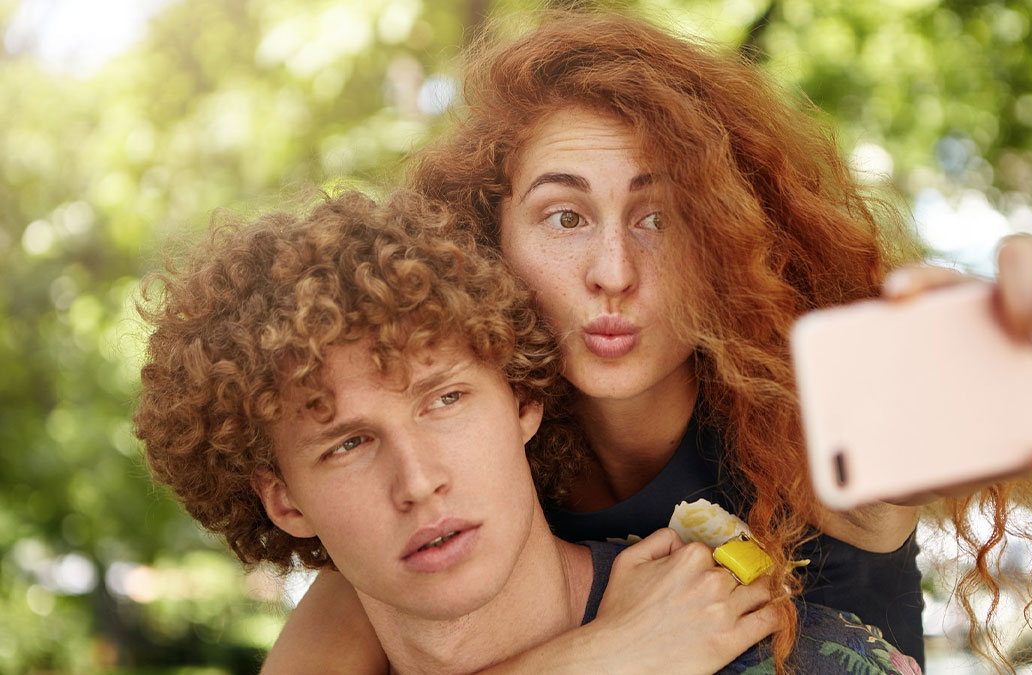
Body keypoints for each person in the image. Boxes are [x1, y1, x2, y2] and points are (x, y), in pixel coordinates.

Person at [264, 10, 1032, 674]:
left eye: (660, 218)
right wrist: (610, 656)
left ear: (722, 239)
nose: (613, 271)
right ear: (486, 241)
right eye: (563, 216)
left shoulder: (811, 419)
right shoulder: (447, 481)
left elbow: (969, 402)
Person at [133, 189, 924, 674]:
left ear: (523, 399)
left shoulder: (779, 653)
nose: (419, 481)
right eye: (348, 443)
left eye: (445, 399)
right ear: (285, 501)